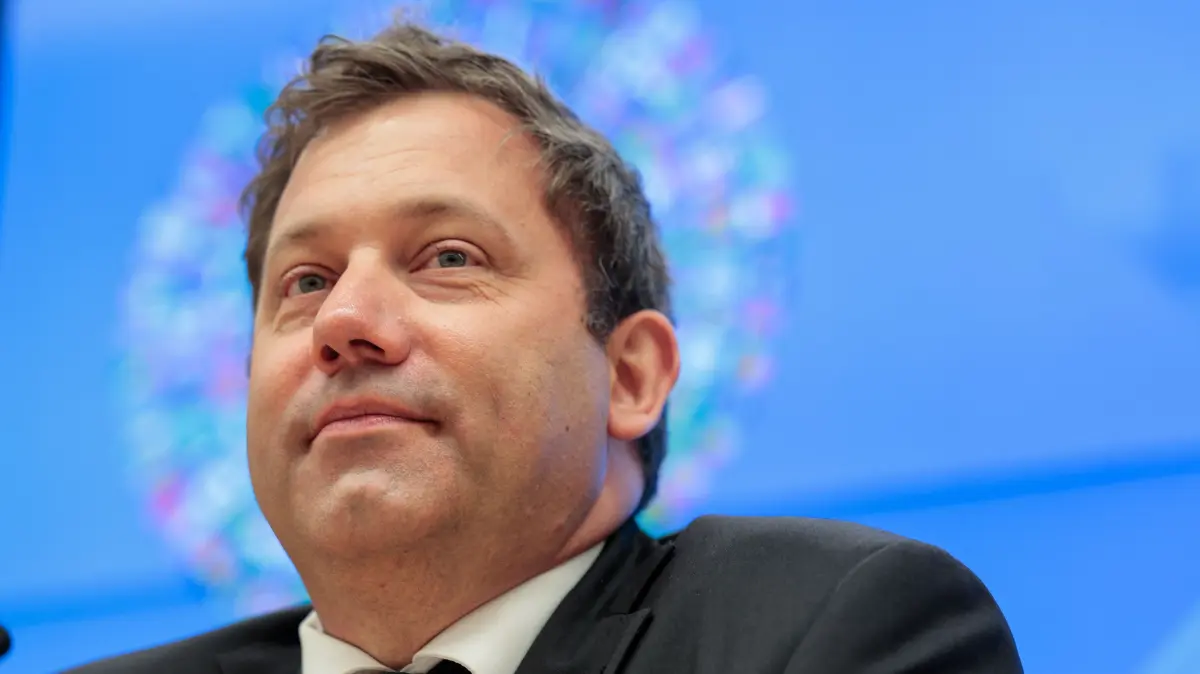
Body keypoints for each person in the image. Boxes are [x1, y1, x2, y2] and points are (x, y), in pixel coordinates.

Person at [67, 18, 1023, 674]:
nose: (342, 320)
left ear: (631, 374)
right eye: (305, 281)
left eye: (447, 258)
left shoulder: (832, 631)